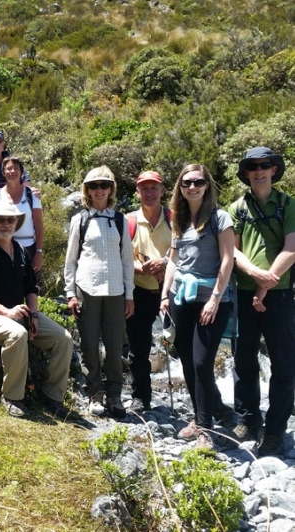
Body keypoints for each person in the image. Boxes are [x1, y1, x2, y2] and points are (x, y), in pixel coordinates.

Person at [0, 200, 73, 419]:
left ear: (16, 223)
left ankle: (52, 396)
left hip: (22, 313)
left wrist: (33, 314)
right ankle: (12, 396)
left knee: (63, 338)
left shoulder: (22, 252)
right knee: (18, 333)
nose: (6, 224)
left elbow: (31, 287)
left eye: (10, 219)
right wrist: (7, 312)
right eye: (1, 220)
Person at [160, 164, 234, 449]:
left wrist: (216, 297)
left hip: (210, 299)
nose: (192, 187)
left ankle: (205, 428)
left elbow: (228, 260)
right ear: (180, 187)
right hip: (180, 298)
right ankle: (200, 417)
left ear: (207, 185)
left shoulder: (219, 218)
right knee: (189, 363)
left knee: (203, 362)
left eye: (198, 182)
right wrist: (165, 295)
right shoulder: (179, 220)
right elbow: (174, 261)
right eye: (186, 182)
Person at [228, 147, 295, 456]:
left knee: (283, 363)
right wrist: (256, 275)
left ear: (273, 170)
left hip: (279, 296)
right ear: (246, 173)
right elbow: (233, 250)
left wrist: (265, 286)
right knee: (243, 359)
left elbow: (291, 248)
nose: (258, 171)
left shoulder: (289, 205)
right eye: (252, 166)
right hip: (243, 292)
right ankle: (247, 418)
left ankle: (275, 429)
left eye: (264, 165)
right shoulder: (237, 209)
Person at [64, 165, 134, 418]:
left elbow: (127, 260)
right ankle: (95, 393)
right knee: (90, 344)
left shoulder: (119, 219)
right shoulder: (79, 220)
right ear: (87, 190)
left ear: (111, 189)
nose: (99, 190)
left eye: (104, 185)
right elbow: (70, 260)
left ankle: (115, 395)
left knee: (115, 346)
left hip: (116, 290)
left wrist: (129, 296)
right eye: (94, 186)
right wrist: (71, 293)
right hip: (87, 289)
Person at [125, 171, 172, 413]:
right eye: (144, 188)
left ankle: (203, 402)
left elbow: (185, 252)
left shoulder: (176, 219)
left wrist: (164, 264)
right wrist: (142, 268)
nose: (149, 193)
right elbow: (121, 255)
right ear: (138, 192)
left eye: (154, 188)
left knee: (185, 344)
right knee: (139, 348)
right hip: (139, 290)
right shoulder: (128, 221)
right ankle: (140, 397)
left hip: (171, 291)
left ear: (162, 190)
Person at [0, 155, 43, 272]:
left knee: (30, 286)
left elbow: (39, 226)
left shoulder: (32, 195)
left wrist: (38, 252)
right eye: (8, 168)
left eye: (16, 168)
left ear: (21, 172)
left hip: (28, 248)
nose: (12, 171)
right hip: (3, 248)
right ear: (3, 172)